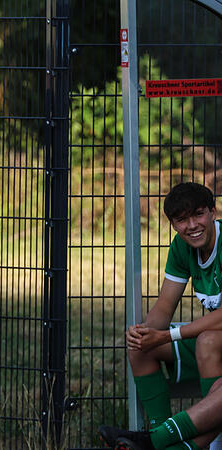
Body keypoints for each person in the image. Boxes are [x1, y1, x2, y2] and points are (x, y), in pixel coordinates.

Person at [98, 182, 222, 449]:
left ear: (213, 211)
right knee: (141, 347)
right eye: (181, 220)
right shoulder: (181, 247)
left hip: (213, 344)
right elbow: (164, 309)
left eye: (198, 214)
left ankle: (154, 442)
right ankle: (155, 432)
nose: (192, 225)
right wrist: (144, 334)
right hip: (213, 345)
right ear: (173, 224)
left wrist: (167, 335)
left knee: (208, 341)